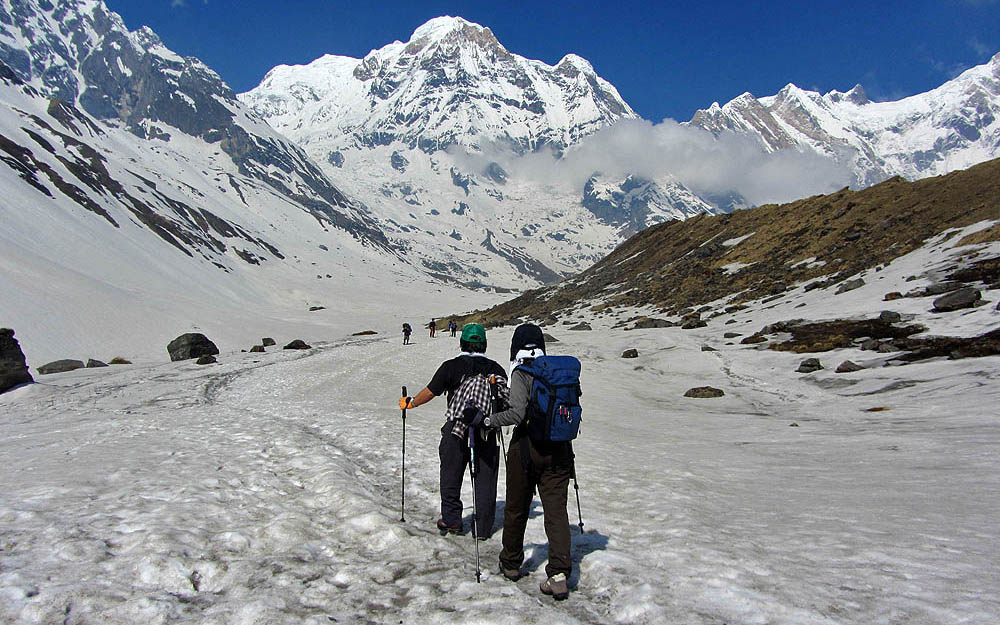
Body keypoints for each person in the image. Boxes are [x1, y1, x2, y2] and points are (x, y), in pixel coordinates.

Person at [473, 323, 573, 601]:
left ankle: (512, 563)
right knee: (556, 512)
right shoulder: (556, 371)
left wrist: (490, 420)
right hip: (559, 450)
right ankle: (559, 574)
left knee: (516, 507)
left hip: (526, 448)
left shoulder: (521, 372)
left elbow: (516, 413)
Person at [397, 323, 508, 538]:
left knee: (451, 474)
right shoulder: (496, 369)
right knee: (485, 479)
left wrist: (411, 403)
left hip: (456, 430)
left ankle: (452, 520)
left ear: (462, 342)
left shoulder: (451, 366)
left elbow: (431, 392)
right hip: (487, 429)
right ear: (484, 344)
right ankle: (483, 528)